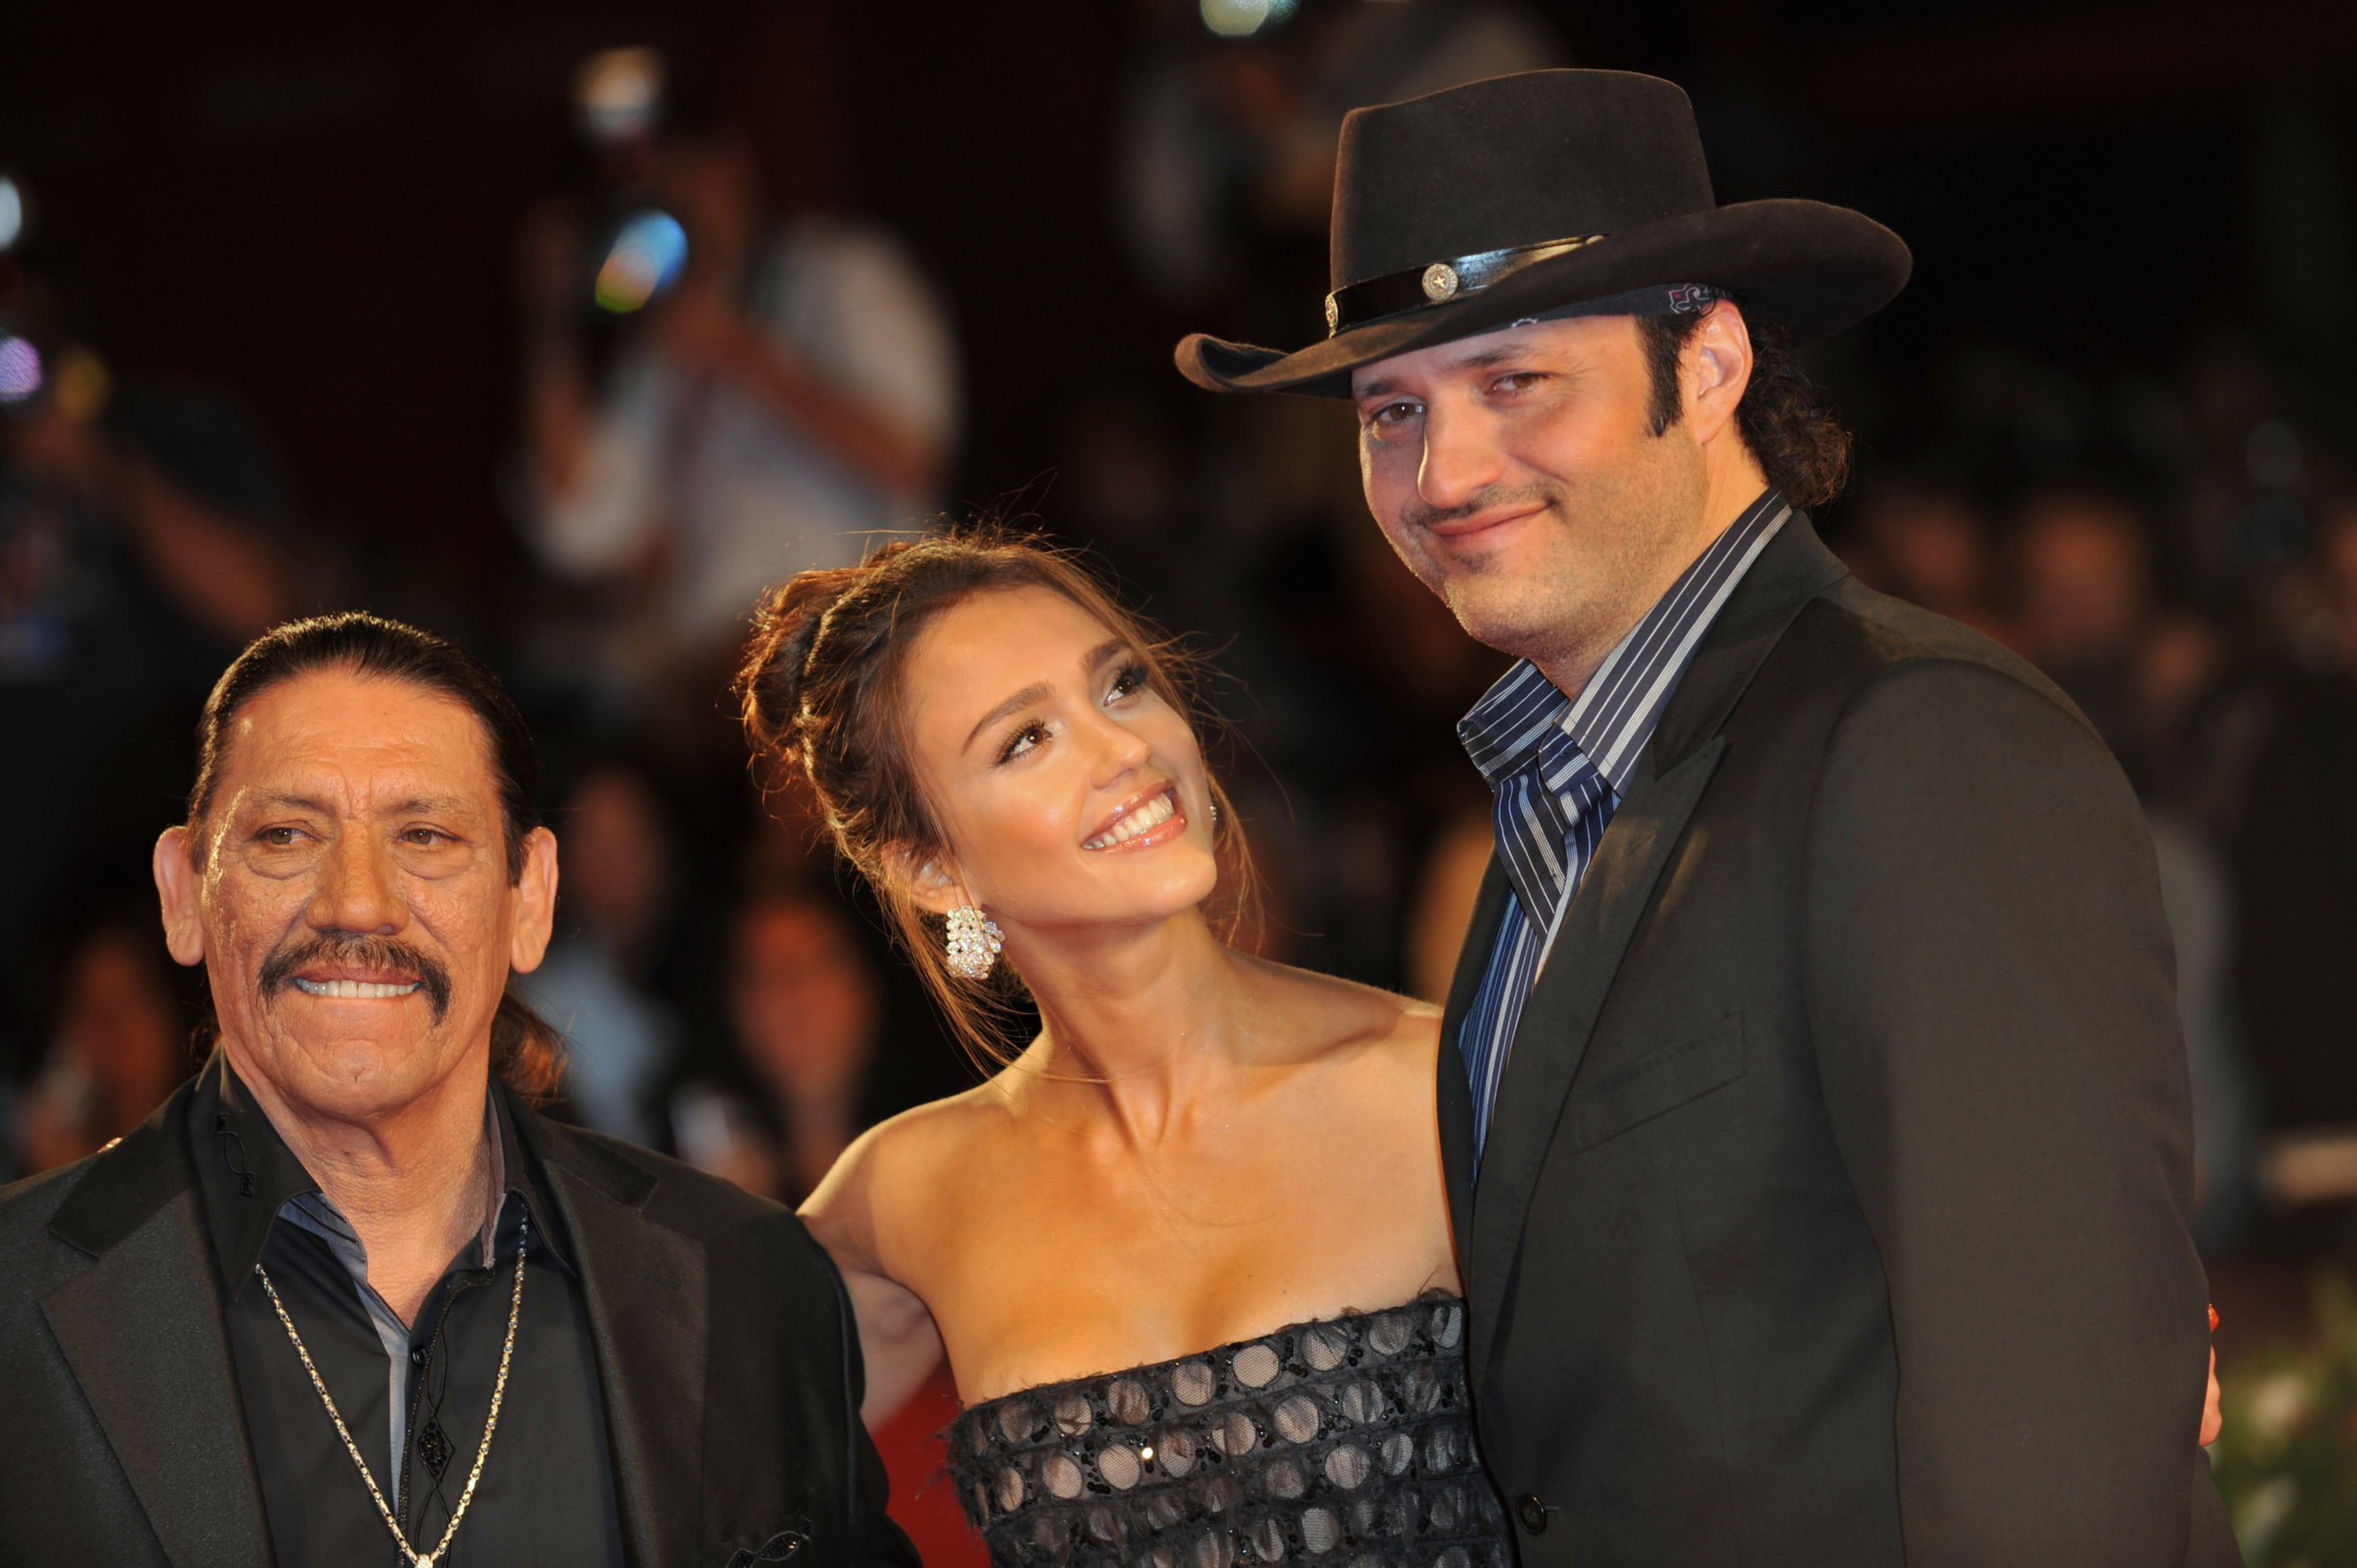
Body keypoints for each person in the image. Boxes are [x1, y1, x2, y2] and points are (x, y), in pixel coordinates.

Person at [1174, 69, 2234, 1562]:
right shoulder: (1550, 808)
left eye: (1514, 381)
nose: (1444, 471)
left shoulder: (1915, 740)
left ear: (1713, 359)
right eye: (1390, 409)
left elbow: (2054, 1441)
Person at [0, 612, 913, 1568]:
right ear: (186, 892)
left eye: (426, 835)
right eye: (284, 834)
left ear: (532, 899)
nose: (357, 902)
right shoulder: (21, 1299)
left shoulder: (745, 1281)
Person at [738, 531, 1512, 1568]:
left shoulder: (1437, 1085)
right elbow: (672, 1477)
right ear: (930, 869)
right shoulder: (905, 1197)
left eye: (1120, 686)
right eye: (1025, 739)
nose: (1125, 750)